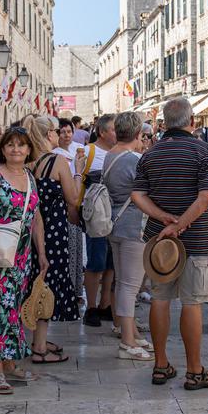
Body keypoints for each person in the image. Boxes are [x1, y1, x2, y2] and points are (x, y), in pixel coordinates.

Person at [131, 98, 208, 391]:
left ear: (164, 124)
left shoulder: (150, 154)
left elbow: (137, 196)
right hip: (193, 240)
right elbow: (205, 197)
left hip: (160, 242)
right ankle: (194, 371)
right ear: (191, 120)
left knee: (160, 299)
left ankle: (160, 365)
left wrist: (165, 221)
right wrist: (180, 224)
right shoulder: (203, 152)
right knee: (192, 302)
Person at [0, 127, 47, 395]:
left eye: (21, 145)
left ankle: (11, 363)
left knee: (13, 306)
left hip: (22, 254)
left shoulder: (29, 176)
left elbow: (36, 217)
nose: (16, 149)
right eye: (11, 145)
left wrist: (42, 252)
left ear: (29, 150)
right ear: (2, 148)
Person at [102, 112, 154, 360]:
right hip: (134, 225)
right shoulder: (135, 159)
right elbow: (146, 192)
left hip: (115, 223)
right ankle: (127, 342)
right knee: (129, 285)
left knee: (123, 281)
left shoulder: (110, 155)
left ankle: (131, 333)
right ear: (137, 134)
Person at [27, 116, 78, 363]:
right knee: (47, 284)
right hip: (54, 232)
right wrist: (79, 172)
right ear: (49, 134)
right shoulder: (57, 161)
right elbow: (73, 197)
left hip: (31, 232)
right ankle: (39, 347)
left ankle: (38, 338)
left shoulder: (27, 163)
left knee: (36, 281)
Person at [80, 113, 117, 327]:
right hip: (96, 217)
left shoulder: (120, 152)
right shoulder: (88, 152)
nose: (117, 133)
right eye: (113, 129)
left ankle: (105, 304)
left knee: (111, 262)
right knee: (95, 261)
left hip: (115, 215)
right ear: (102, 132)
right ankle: (91, 307)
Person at [54, 117, 85, 302]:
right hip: (63, 202)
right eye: (62, 131)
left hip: (78, 199)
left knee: (76, 247)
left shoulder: (78, 149)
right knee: (65, 248)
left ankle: (75, 288)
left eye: (69, 131)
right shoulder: (54, 153)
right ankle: (63, 288)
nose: (66, 135)